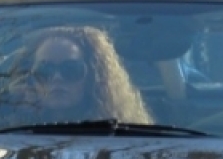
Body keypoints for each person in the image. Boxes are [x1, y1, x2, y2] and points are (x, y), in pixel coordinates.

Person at [14, 26, 152, 124]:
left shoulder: (124, 136)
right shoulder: (5, 133)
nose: (57, 78)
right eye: (44, 70)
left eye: (70, 69)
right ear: (29, 78)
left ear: (94, 77)